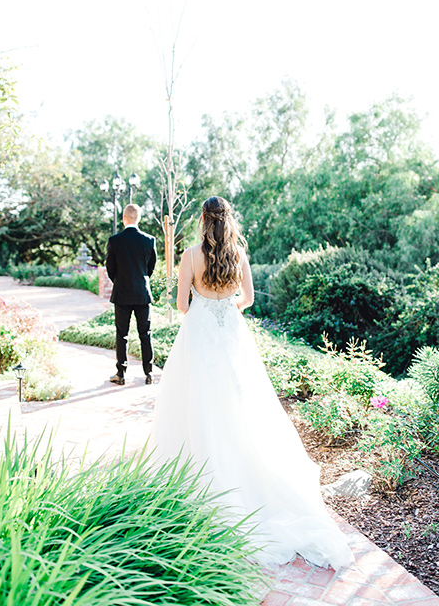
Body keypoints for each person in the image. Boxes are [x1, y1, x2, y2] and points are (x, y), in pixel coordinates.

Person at [149, 196, 354, 570]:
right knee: (240, 405)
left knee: (197, 403)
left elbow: (181, 305)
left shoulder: (191, 255)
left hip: (198, 336)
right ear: (229, 220)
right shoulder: (239, 255)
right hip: (232, 336)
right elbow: (250, 298)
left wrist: (204, 306)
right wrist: (228, 307)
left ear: (201, 219)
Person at [105, 203, 157, 386]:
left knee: (122, 334)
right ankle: (148, 373)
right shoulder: (149, 240)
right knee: (146, 334)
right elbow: (150, 267)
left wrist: (120, 281)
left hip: (122, 294)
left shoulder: (115, 240)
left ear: (124, 218)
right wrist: (140, 280)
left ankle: (121, 373)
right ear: (139, 218)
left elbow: (109, 267)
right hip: (142, 293)